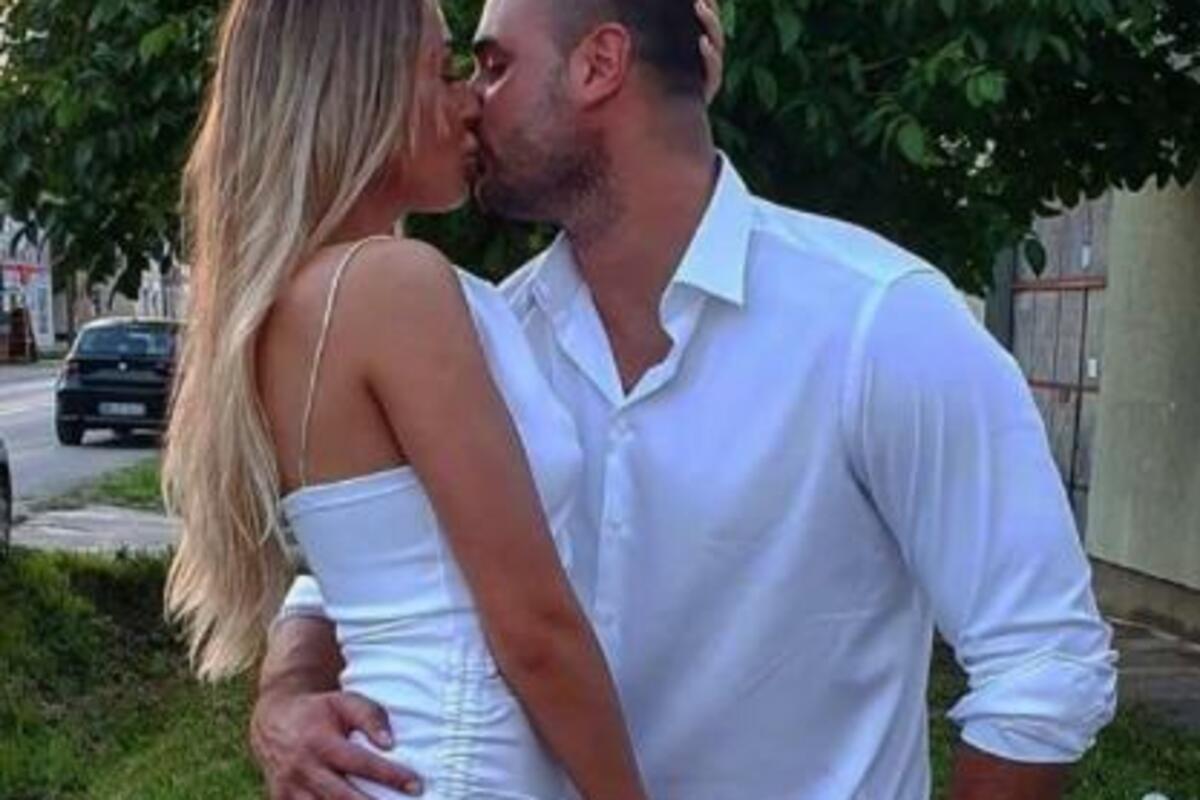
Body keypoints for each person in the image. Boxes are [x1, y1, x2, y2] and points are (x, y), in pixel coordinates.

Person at [253, 0, 1119, 798]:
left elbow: (1042, 665)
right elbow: (376, 563)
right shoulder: (490, 337)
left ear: (600, 66)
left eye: (495, 65)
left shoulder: (877, 321)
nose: (472, 100)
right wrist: (286, 694)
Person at [163, 0, 723, 797]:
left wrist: (664, 107)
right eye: (444, 71)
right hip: (459, 764)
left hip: (403, 760)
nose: (470, 103)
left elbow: (373, 567)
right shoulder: (393, 287)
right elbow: (533, 628)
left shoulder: (299, 301)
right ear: (362, 95)